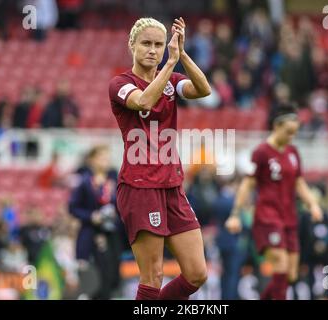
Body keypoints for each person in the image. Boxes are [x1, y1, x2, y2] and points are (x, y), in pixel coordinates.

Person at [108, 17, 211, 300]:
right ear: (132, 45)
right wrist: (169, 64)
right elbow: (143, 101)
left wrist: (181, 53)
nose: (152, 50)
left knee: (196, 273)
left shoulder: (171, 80)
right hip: (140, 187)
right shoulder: (120, 83)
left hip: (172, 185)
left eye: (158, 45)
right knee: (153, 275)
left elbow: (204, 89)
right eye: (146, 44)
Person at [225, 105, 323, 300]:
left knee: (291, 274)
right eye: (288, 132)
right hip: (268, 217)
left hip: (289, 217)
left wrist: (313, 204)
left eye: (294, 133)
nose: (291, 137)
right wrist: (235, 214)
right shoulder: (261, 152)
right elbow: (247, 184)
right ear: (276, 126)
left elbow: (299, 182)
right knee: (281, 265)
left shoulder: (293, 152)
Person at [69, 145, 122, 299]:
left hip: (112, 232)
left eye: (107, 157)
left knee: (114, 275)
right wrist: (91, 216)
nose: (106, 160)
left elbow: (121, 205)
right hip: (93, 233)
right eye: (102, 157)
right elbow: (73, 207)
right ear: (92, 160)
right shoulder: (85, 182)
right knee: (100, 277)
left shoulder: (114, 181)